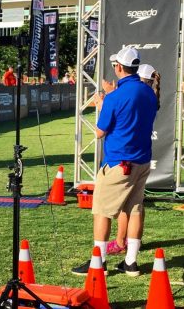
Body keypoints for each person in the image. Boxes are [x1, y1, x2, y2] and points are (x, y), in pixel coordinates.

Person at [71, 47, 157, 277]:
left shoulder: (115, 97)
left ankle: (98, 263)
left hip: (120, 162)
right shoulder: (148, 92)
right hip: (142, 160)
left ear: (118, 67)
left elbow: (100, 132)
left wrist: (103, 103)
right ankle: (131, 262)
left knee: (102, 211)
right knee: (136, 209)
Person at [106, 63, 161, 256]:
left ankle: (122, 241)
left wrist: (109, 99)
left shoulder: (135, 95)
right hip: (142, 158)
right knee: (136, 205)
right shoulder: (150, 97)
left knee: (124, 206)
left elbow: (108, 127)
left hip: (125, 159)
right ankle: (131, 246)